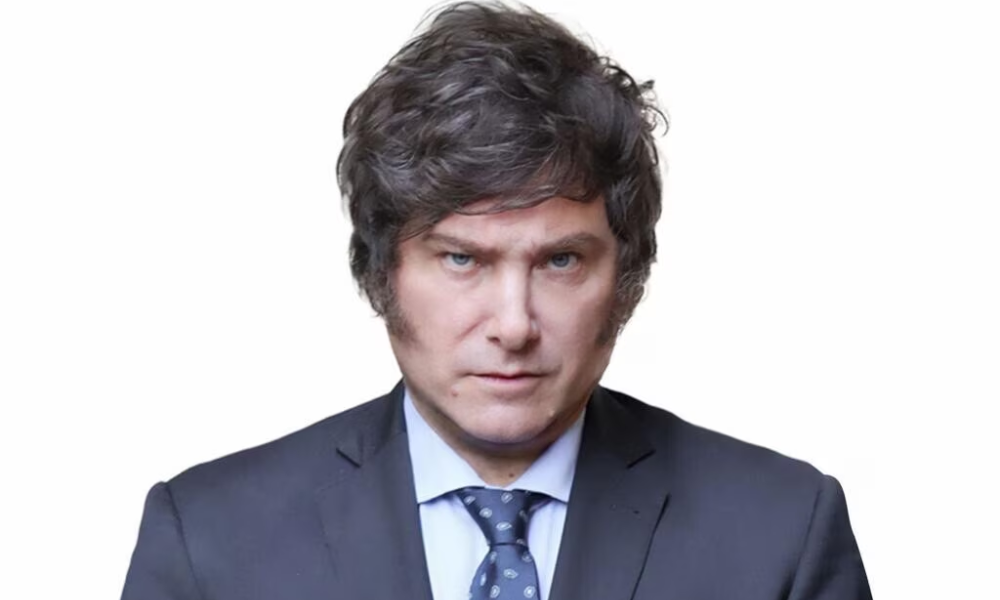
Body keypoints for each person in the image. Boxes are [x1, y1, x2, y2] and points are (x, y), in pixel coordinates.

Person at [122, 2, 872, 599]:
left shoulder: (782, 535)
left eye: (561, 260)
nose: (514, 325)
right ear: (381, 272)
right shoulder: (209, 542)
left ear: (627, 279)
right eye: (461, 259)